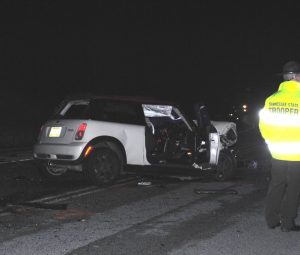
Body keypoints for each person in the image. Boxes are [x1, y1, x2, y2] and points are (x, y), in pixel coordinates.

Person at [259, 61, 300, 232]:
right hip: (297, 154)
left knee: (276, 184)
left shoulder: (272, 99)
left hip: (276, 152)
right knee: (293, 188)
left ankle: (272, 220)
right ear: (297, 77)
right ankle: (287, 223)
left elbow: (263, 126)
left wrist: (272, 142)